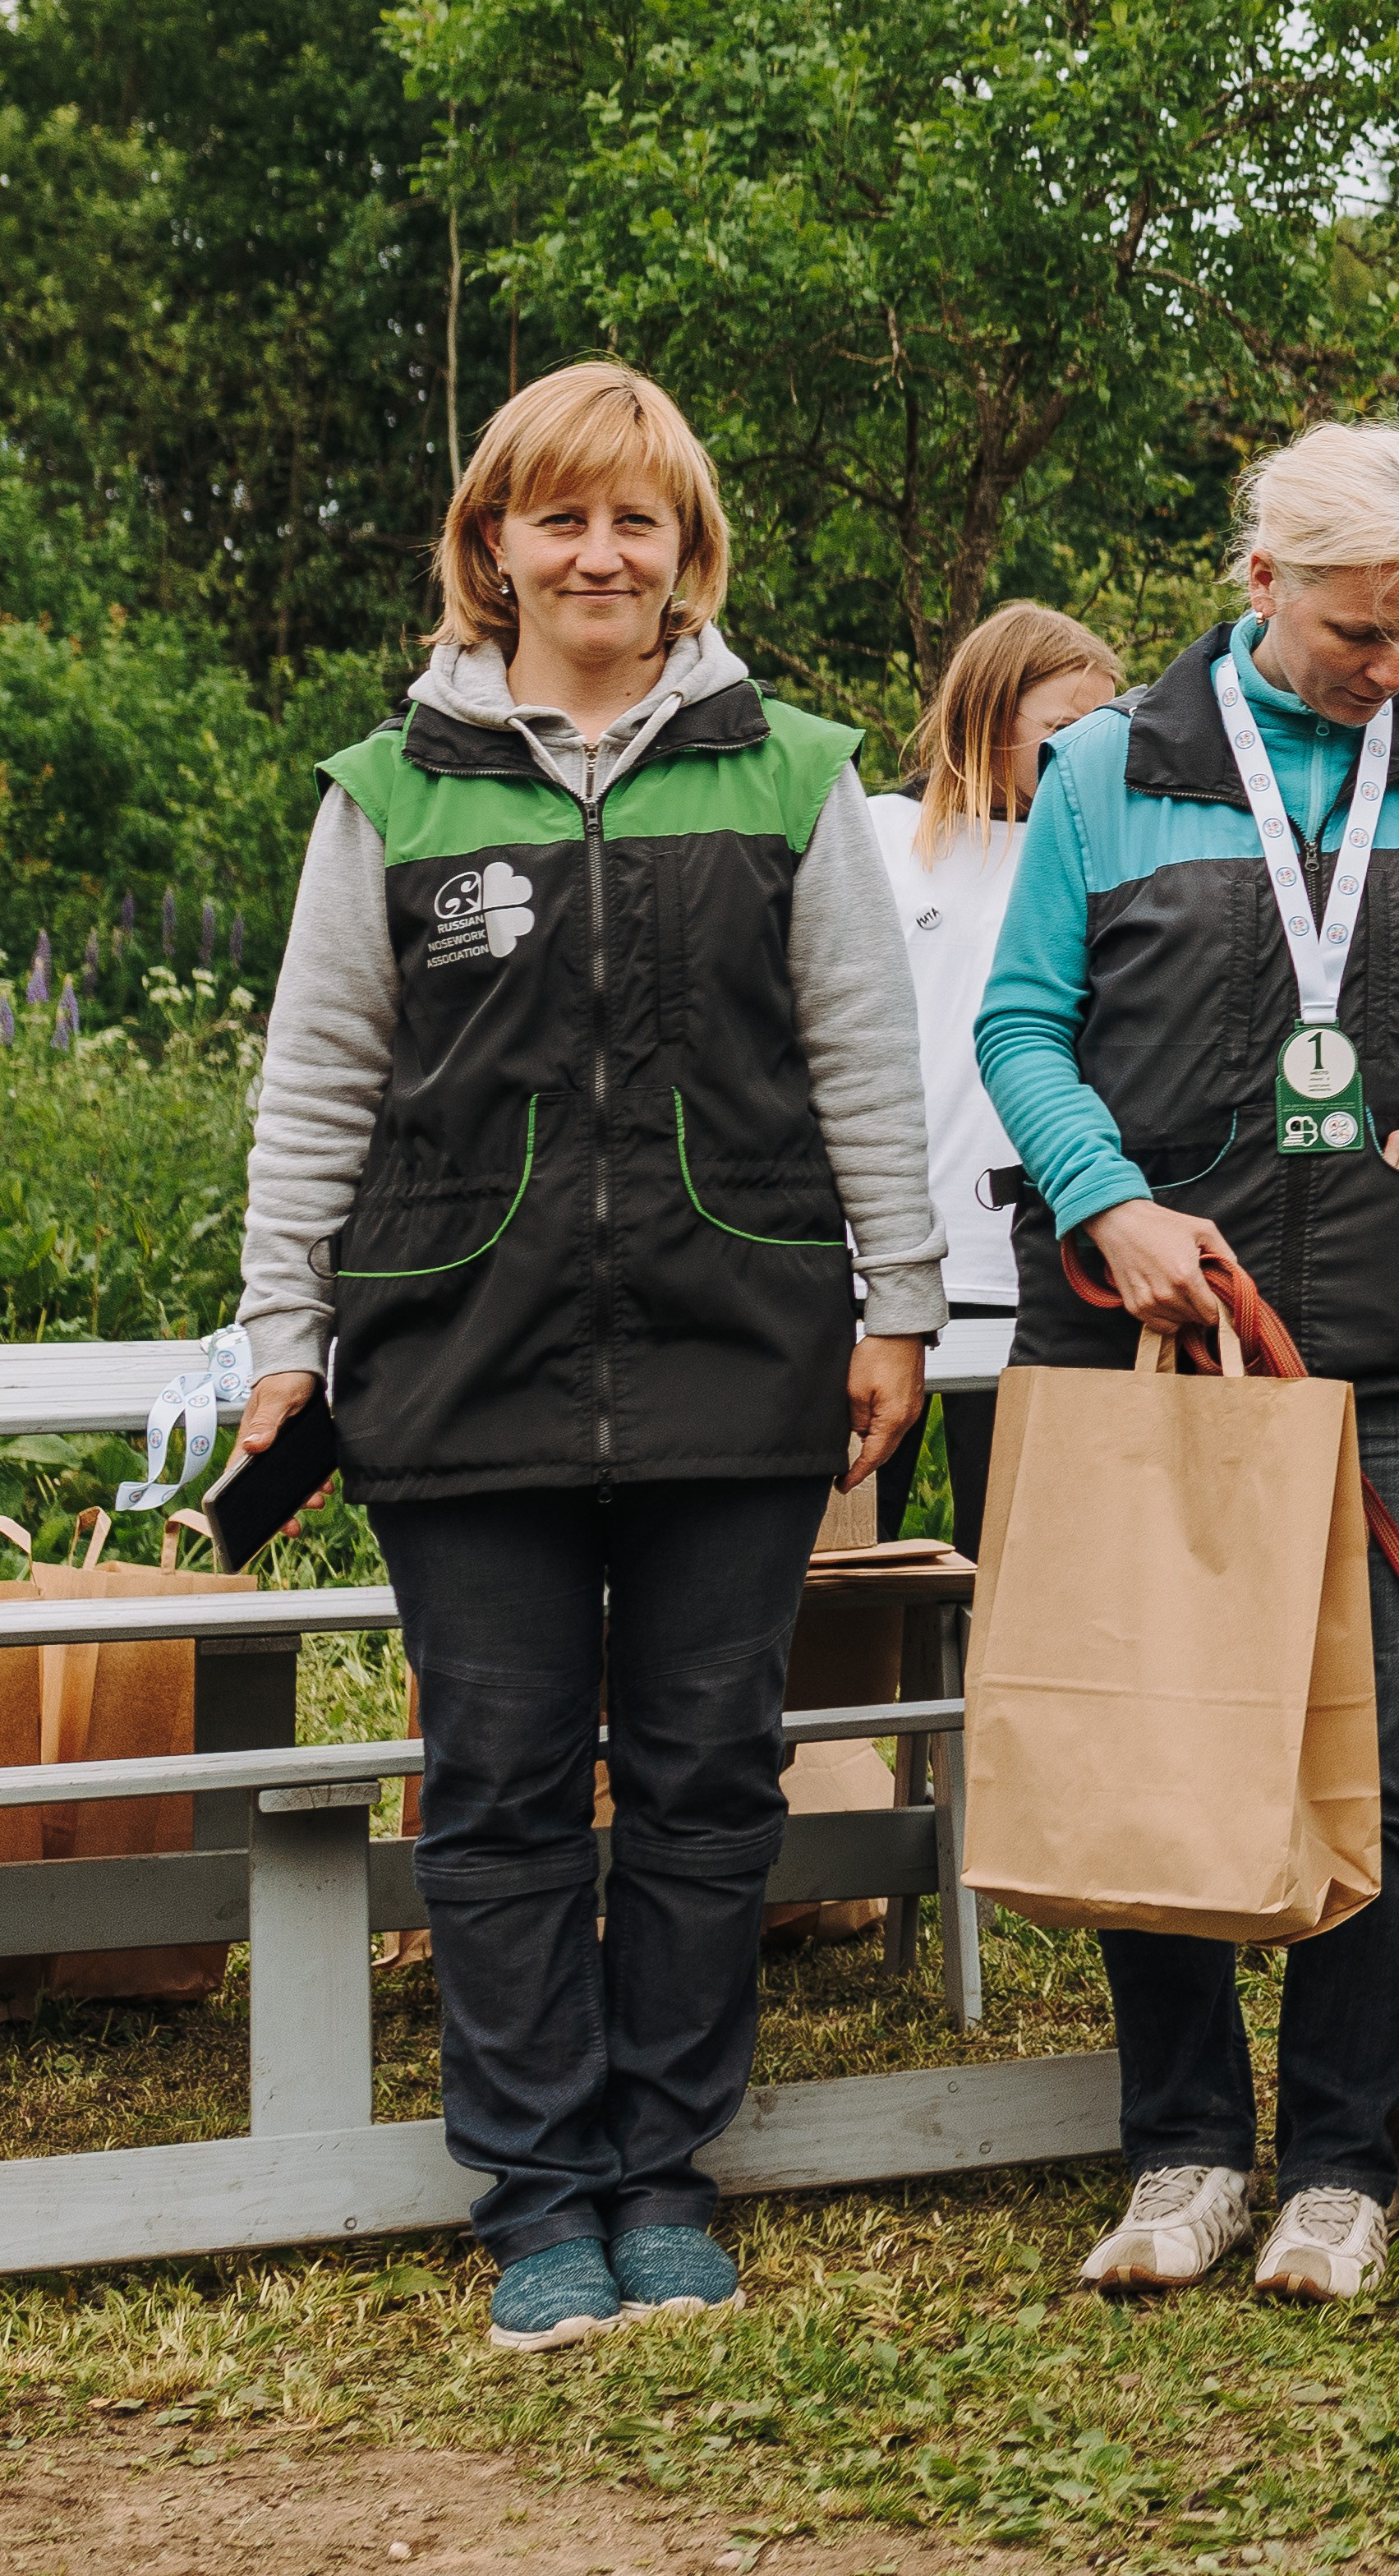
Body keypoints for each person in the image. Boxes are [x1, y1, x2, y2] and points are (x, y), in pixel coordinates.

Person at [233, 362, 946, 2352]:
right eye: (560, 516)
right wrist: (285, 1340)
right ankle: (539, 2186)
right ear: (492, 547)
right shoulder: (388, 788)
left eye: (636, 518)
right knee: (502, 1782)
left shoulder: (794, 767)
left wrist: (897, 1303)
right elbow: (318, 1085)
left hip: (743, 1340)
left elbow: (866, 1065)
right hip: (460, 1351)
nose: (599, 552)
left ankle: (663, 2165)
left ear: (686, 548)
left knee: (713, 1773)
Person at [974, 419, 1399, 2305]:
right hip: (1142, 1333)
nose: (1390, 671)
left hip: (1375, 1340)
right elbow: (1020, 1024)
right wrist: (1104, 1202)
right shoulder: (1103, 771)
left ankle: (1341, 2161)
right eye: (1362, 632)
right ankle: (1181, 2148)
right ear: (1260, 583)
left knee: (1371, 1748)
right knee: (1156, 1723)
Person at [867, 601, 1122, 1556]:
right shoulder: (875, 833)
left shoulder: (1104, 858)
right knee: (837, 1557)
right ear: (987, 711)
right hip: (879, 1262)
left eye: (1099, 735)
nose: (1080, 758)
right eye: (1060, 732)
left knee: (1021, 1560)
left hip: (1035, 1267)